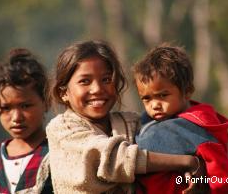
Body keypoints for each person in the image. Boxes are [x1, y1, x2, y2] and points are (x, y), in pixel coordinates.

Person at [46, 40, 203, 194]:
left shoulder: (132, 122)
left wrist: (193, 174)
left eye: (106, 79)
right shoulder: (62, 128)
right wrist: (187, 162)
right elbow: (115, 158)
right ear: (64, 93)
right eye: (85, 81)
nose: (97, 89)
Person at [132, 43, 228, 194]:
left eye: (163, 95)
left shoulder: (197, 129)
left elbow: (221, 177)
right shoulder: (147, 124)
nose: (155, 105)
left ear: (187, 91)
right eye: (147, 99)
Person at [0, 48, 53, 194]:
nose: (16, 118)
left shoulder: (61, 153)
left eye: (25, 106)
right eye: (6, 108)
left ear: (46, 101)